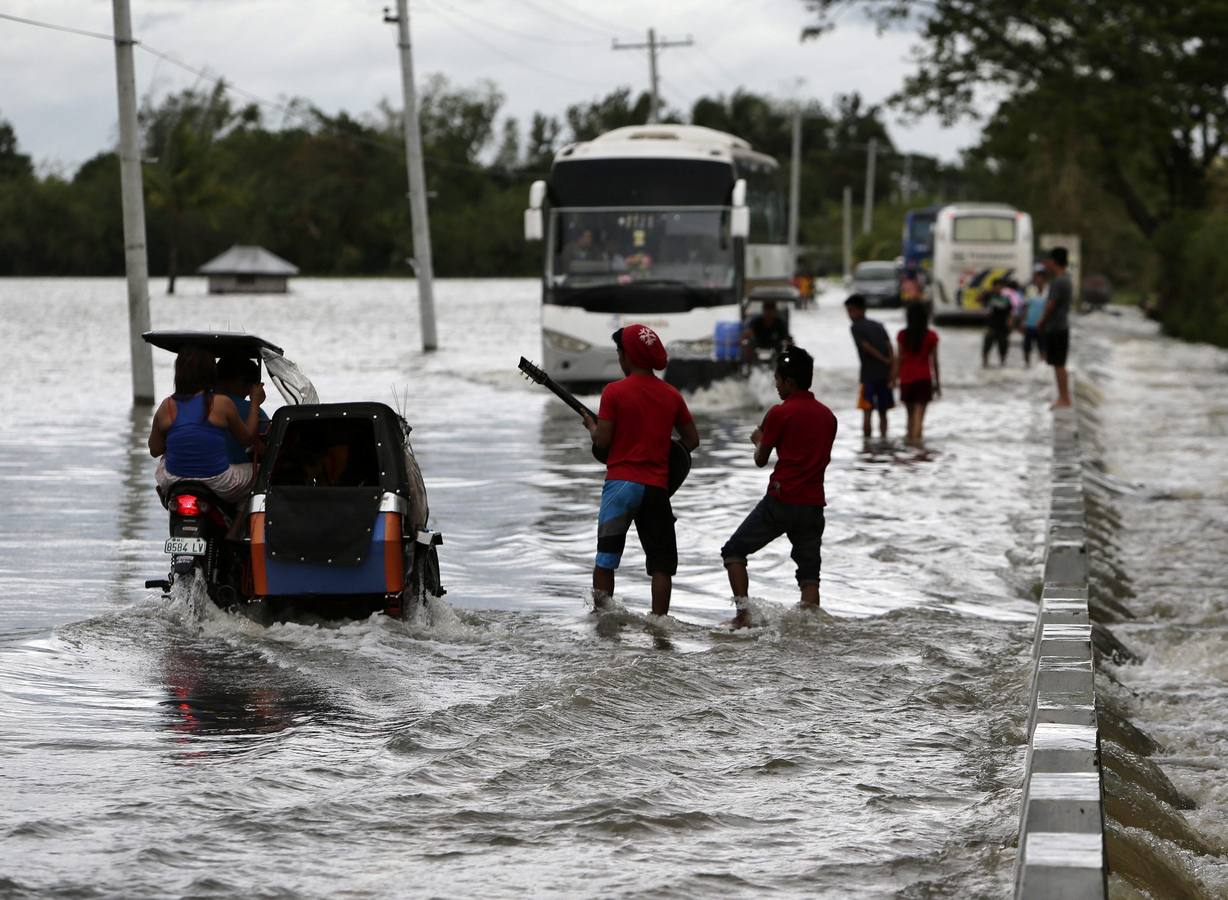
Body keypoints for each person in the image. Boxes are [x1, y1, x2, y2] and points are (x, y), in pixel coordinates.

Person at [583, 324, 700, 617]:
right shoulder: (672, 395)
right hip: (656, 489)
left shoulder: (614, 392)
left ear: (626, 357)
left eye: (620, 353)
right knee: (661, 566)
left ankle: (603, 621)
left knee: (606, 559)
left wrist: (592, 428)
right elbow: (692, 441)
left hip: (620, 486)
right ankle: (659, 625)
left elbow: (604, 440)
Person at [721, 347, 837, 628]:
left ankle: (743, 615)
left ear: (788, 381)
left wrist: (758, 439)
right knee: (809, 577)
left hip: (780, 502)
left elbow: (761, 459)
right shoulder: (828, 417)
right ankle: (808, 630)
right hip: (812, 505)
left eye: (777, 379)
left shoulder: (779, 413)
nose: (774, 384)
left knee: (733, 552)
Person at [148, 346, 266, 504]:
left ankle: (165, 493)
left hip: (174, 479)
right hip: (218, 481)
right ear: (211, 373)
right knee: (261, 472)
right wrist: (255, 403)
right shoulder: (221, 403)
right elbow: (247, 439)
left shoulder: (166, 406)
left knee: (165, 458)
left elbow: (154, 450)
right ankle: (238, 524)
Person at [844, 294, 895, 439]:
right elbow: (889, 346)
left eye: (852, 310)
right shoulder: (879, 325)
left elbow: (866, 347)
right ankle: (884, 441)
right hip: (884, 374)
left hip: (868, 376)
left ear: (862, 310)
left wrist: (885, 360)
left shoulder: (855, 327)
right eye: (848, 311)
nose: (850, 315)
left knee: (867, 411)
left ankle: (867, 444)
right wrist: (890, 363)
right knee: (883, 412)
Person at [895, 302, 941, 445]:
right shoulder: (931, 336)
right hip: (924, 379)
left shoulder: (902, 335)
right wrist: (938, 384)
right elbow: (935, 362)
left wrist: (894, 379)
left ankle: (909, 444)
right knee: (919, 416)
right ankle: (917, 448)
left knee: (909, 416)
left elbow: (899, 359)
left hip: (906, 379)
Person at [216, 355, 270, 470]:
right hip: (230, 472)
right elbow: (267, 449)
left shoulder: (196, 403)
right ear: (242, 383)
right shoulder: (253, 411)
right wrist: (255, 402)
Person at [1038, 246, 1073, 408]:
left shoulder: (1059, 281)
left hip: (1057, 328)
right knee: (1058, 364)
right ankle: (1063, 397)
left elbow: (1051, 305)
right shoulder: (1066, 279)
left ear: (1054, 262)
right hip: (1061, 326)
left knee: (1059, 365)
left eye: (1048, 261)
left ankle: (1064, 399)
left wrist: (1041, 321)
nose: (1046, 264)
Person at [982, 277, 1014, 367]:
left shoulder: (1006, 298)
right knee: (987, 346)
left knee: (1003, 347)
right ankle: (985, 363)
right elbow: (978, 300)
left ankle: (1002, 364)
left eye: (1001, 286)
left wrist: (1010, 324)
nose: (999, 288)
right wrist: (987, 293)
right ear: (993, 287)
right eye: (997, 286)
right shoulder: (989, 296)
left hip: (1003, 326)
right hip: (991, 326)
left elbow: (1010, 312)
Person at [1020, 265, 1049, 366]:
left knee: (1043, 347)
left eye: (1041, 277)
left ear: (1045, 279)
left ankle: (1042, 366)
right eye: (1037, 277)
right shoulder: (1030, 290)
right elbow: (1026, 307)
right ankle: (1027, 365)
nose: (1038, 279)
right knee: (1027, 347)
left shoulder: (1049, 291)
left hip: (1043, 325)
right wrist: (1022, 321)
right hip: (1029, 324)